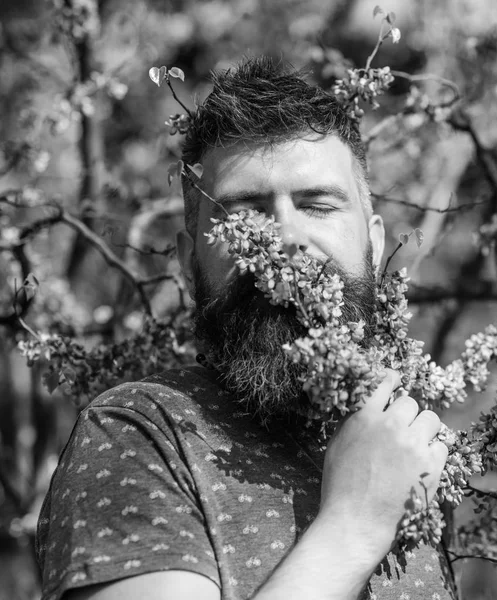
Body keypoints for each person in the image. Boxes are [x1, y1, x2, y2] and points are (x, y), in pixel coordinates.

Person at [36, 57, 454, 600]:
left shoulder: (409, 446)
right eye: (242, 216)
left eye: (319, 205)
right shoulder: (136, 433)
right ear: (188, 264)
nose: (284, 238)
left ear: (375, 244)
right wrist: (354, 525)